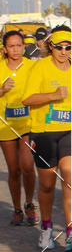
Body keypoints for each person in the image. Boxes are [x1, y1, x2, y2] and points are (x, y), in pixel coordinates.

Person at [22, 26, 72, 251]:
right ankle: (46, 228)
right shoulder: (40, 67)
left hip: (71, 129)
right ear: (51, 47)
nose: (63, 51)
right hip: (44, 132)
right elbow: (27, 99)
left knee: (70, 177)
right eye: (59, 47)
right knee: (47, 184)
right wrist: (54, 95)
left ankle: (71, 232)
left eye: (68, 47)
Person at [0, 31, 38, 225]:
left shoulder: (33, 67)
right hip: (5, 126)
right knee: (14, 170)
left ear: (24, 46)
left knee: (28, 166)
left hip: (27, 124)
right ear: (4, 49)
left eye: (18, 45)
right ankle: (17, 208)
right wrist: (2, 90)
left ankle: (29, 204)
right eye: (11, 46)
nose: (15, 50)